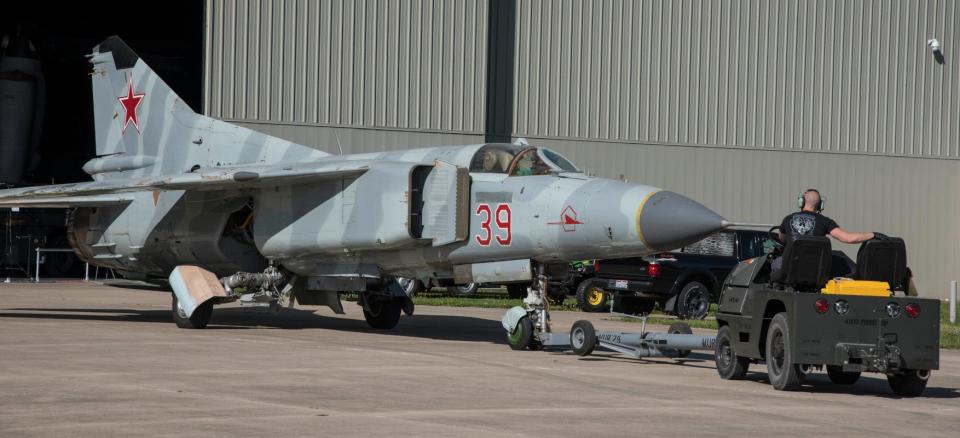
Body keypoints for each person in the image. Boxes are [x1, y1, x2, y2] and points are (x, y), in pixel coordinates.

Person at [779, 189, 878, 244]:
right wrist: (873, 234)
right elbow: (849, 238)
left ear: (801, 202)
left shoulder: (787, 219)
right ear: (820, 205)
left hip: (789, 270)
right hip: (815, 271)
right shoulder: (825, 221)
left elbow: (782, 239)